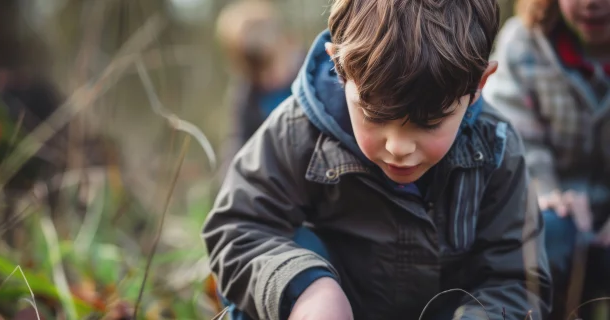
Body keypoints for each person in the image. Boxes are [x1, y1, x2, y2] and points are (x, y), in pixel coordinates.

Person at [203, 0, 552, 319]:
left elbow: (517, 280)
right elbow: (238, 228)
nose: (398, 147)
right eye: (374, 116)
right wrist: (303, 289)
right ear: (339, 67)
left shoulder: (496, 148)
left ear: (477, 86)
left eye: (429, 123)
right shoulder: (299, 130)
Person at [483, 0, 610, 317]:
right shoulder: (522, 44)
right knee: (544, 236)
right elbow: (514, 134)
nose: (592, 4)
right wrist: (545, 190)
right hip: (557, 200)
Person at [215, 0, 305, 179]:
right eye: (257, 70)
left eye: (271, 65)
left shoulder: (316, 74)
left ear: (285, 42)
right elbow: (236, 148)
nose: (267, 80)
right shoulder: (246, 96)